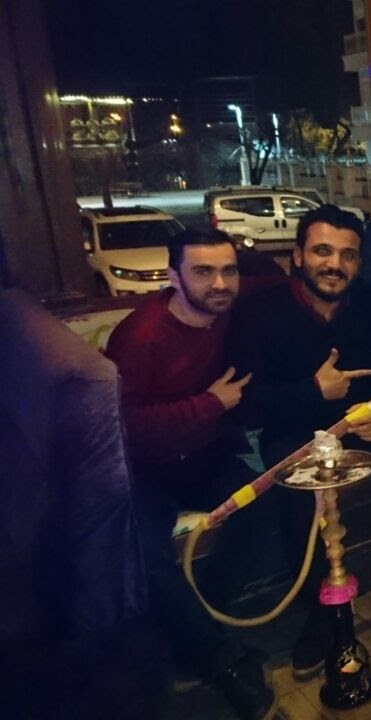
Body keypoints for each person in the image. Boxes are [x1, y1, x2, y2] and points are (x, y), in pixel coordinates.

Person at [227, 204, 371, 681]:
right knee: (296, 489)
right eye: (322, 251)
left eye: (347, 255)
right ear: (297, 256)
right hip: (294, 432)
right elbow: (247, 403)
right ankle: (321, 613)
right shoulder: (260, 311)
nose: (334, 265)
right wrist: (313, 391)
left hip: (361, 428)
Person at [104, 226, 276, 720]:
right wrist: (210, 405)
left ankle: (202, 625)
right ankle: (220, 661)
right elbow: (127, 427)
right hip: (143, 470)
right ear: (173, 276)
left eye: (228, 271)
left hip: (204, 456)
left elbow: (288, 284)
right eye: (203, 271)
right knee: (145, 555)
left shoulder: (230, 309)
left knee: (264, 504)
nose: (219, 283)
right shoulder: (140, 335)